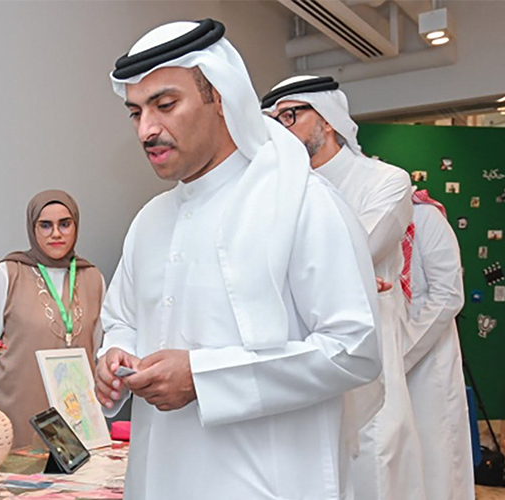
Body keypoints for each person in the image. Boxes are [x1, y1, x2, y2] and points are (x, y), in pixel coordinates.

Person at [94, 20, 381, 499]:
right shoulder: (149, 221)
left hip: (268, 483)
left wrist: (203, 378)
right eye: (135, 112)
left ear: (221, 96)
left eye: (165, 105)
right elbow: (121, 318)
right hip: (160, 476)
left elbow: (354, 350)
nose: (147, 129)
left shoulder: (302, 202)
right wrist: (113, 355)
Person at [263, 75, 425, 500]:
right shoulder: (274, 192)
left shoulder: (386, 182)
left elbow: (359, 251)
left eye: (290, 116)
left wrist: (313, 273)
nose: (281, 129)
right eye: (273, 121)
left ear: (329, 119)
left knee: (374, 466)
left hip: (372, 356)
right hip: (299, 353)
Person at [0, 190, 105, 448]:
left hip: (75, 415)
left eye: (65, 224)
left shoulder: (93, 278)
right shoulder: (9, 273)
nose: (56, 233)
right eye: (45, 225)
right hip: (16, 413)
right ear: (32, 228)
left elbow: (98, 350)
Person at [401, 189, 475, 500]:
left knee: (436, 453)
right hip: (387, 351)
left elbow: (448, 294)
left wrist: (401, 353)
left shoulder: (425, 218)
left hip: (429, 356)